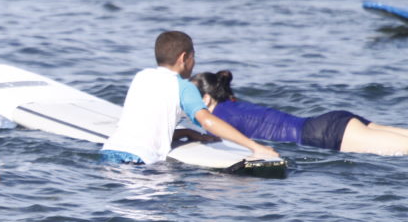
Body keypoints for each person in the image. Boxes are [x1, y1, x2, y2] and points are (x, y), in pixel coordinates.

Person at [100, 31, 279, 164]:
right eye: (194, 57)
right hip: (140, 163)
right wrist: (255, 147)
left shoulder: (141, 77)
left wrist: (186, 133)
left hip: (109, 154)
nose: (194, 63)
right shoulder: (183, 86)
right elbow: (207, 121)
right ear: (184, 58)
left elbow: (146, 129)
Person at [190, 70, 408, 155]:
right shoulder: (234, 104)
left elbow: (215, 138)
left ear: (206, 99)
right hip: (331, 122)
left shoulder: (219, 118)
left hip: (324, 135)